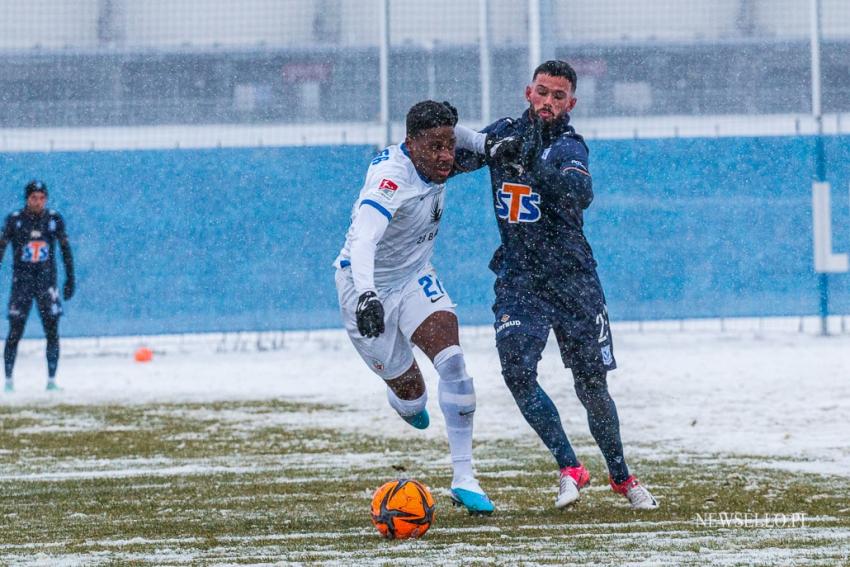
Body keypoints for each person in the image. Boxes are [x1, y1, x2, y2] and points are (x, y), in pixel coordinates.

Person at [453, 60, 658, 510]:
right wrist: (426, 141)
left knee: (591, 385)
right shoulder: (504, 131)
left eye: (558, 96)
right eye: (542, 92)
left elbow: (579, 192)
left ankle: (622, 477)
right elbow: (449, 160)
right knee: (517, 372)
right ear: (528, 92)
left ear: (571, 103)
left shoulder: (569, 146)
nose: (548, 102)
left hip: (572, 281)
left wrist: (526, 163)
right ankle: (570, 467)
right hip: (519, 279)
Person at [333, 100, 494, 514]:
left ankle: (464, 477)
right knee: (413, 397)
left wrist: (487, 146)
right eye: (435, 147)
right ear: (411, 143)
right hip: (364, 287)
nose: (446, 156)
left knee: (454, 363)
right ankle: (405, 402)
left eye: (449, 145)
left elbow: (459, 136)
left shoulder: (440, 152)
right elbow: (364, 241)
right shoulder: (390, 180)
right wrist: (367, 294)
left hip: (414, 279)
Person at [1, 180, 75, 392]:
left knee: (52, 331)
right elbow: (1, 248)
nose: (38, 202)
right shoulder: (15, 220)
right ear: (27, 199)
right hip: (22, 284)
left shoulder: (53, 219)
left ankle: (51, 380)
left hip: (46, 284)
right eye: (34, 197)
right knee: (15, 331)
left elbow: (65, 250)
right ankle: (8, 381)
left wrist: (70, 278)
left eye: (42, 198)